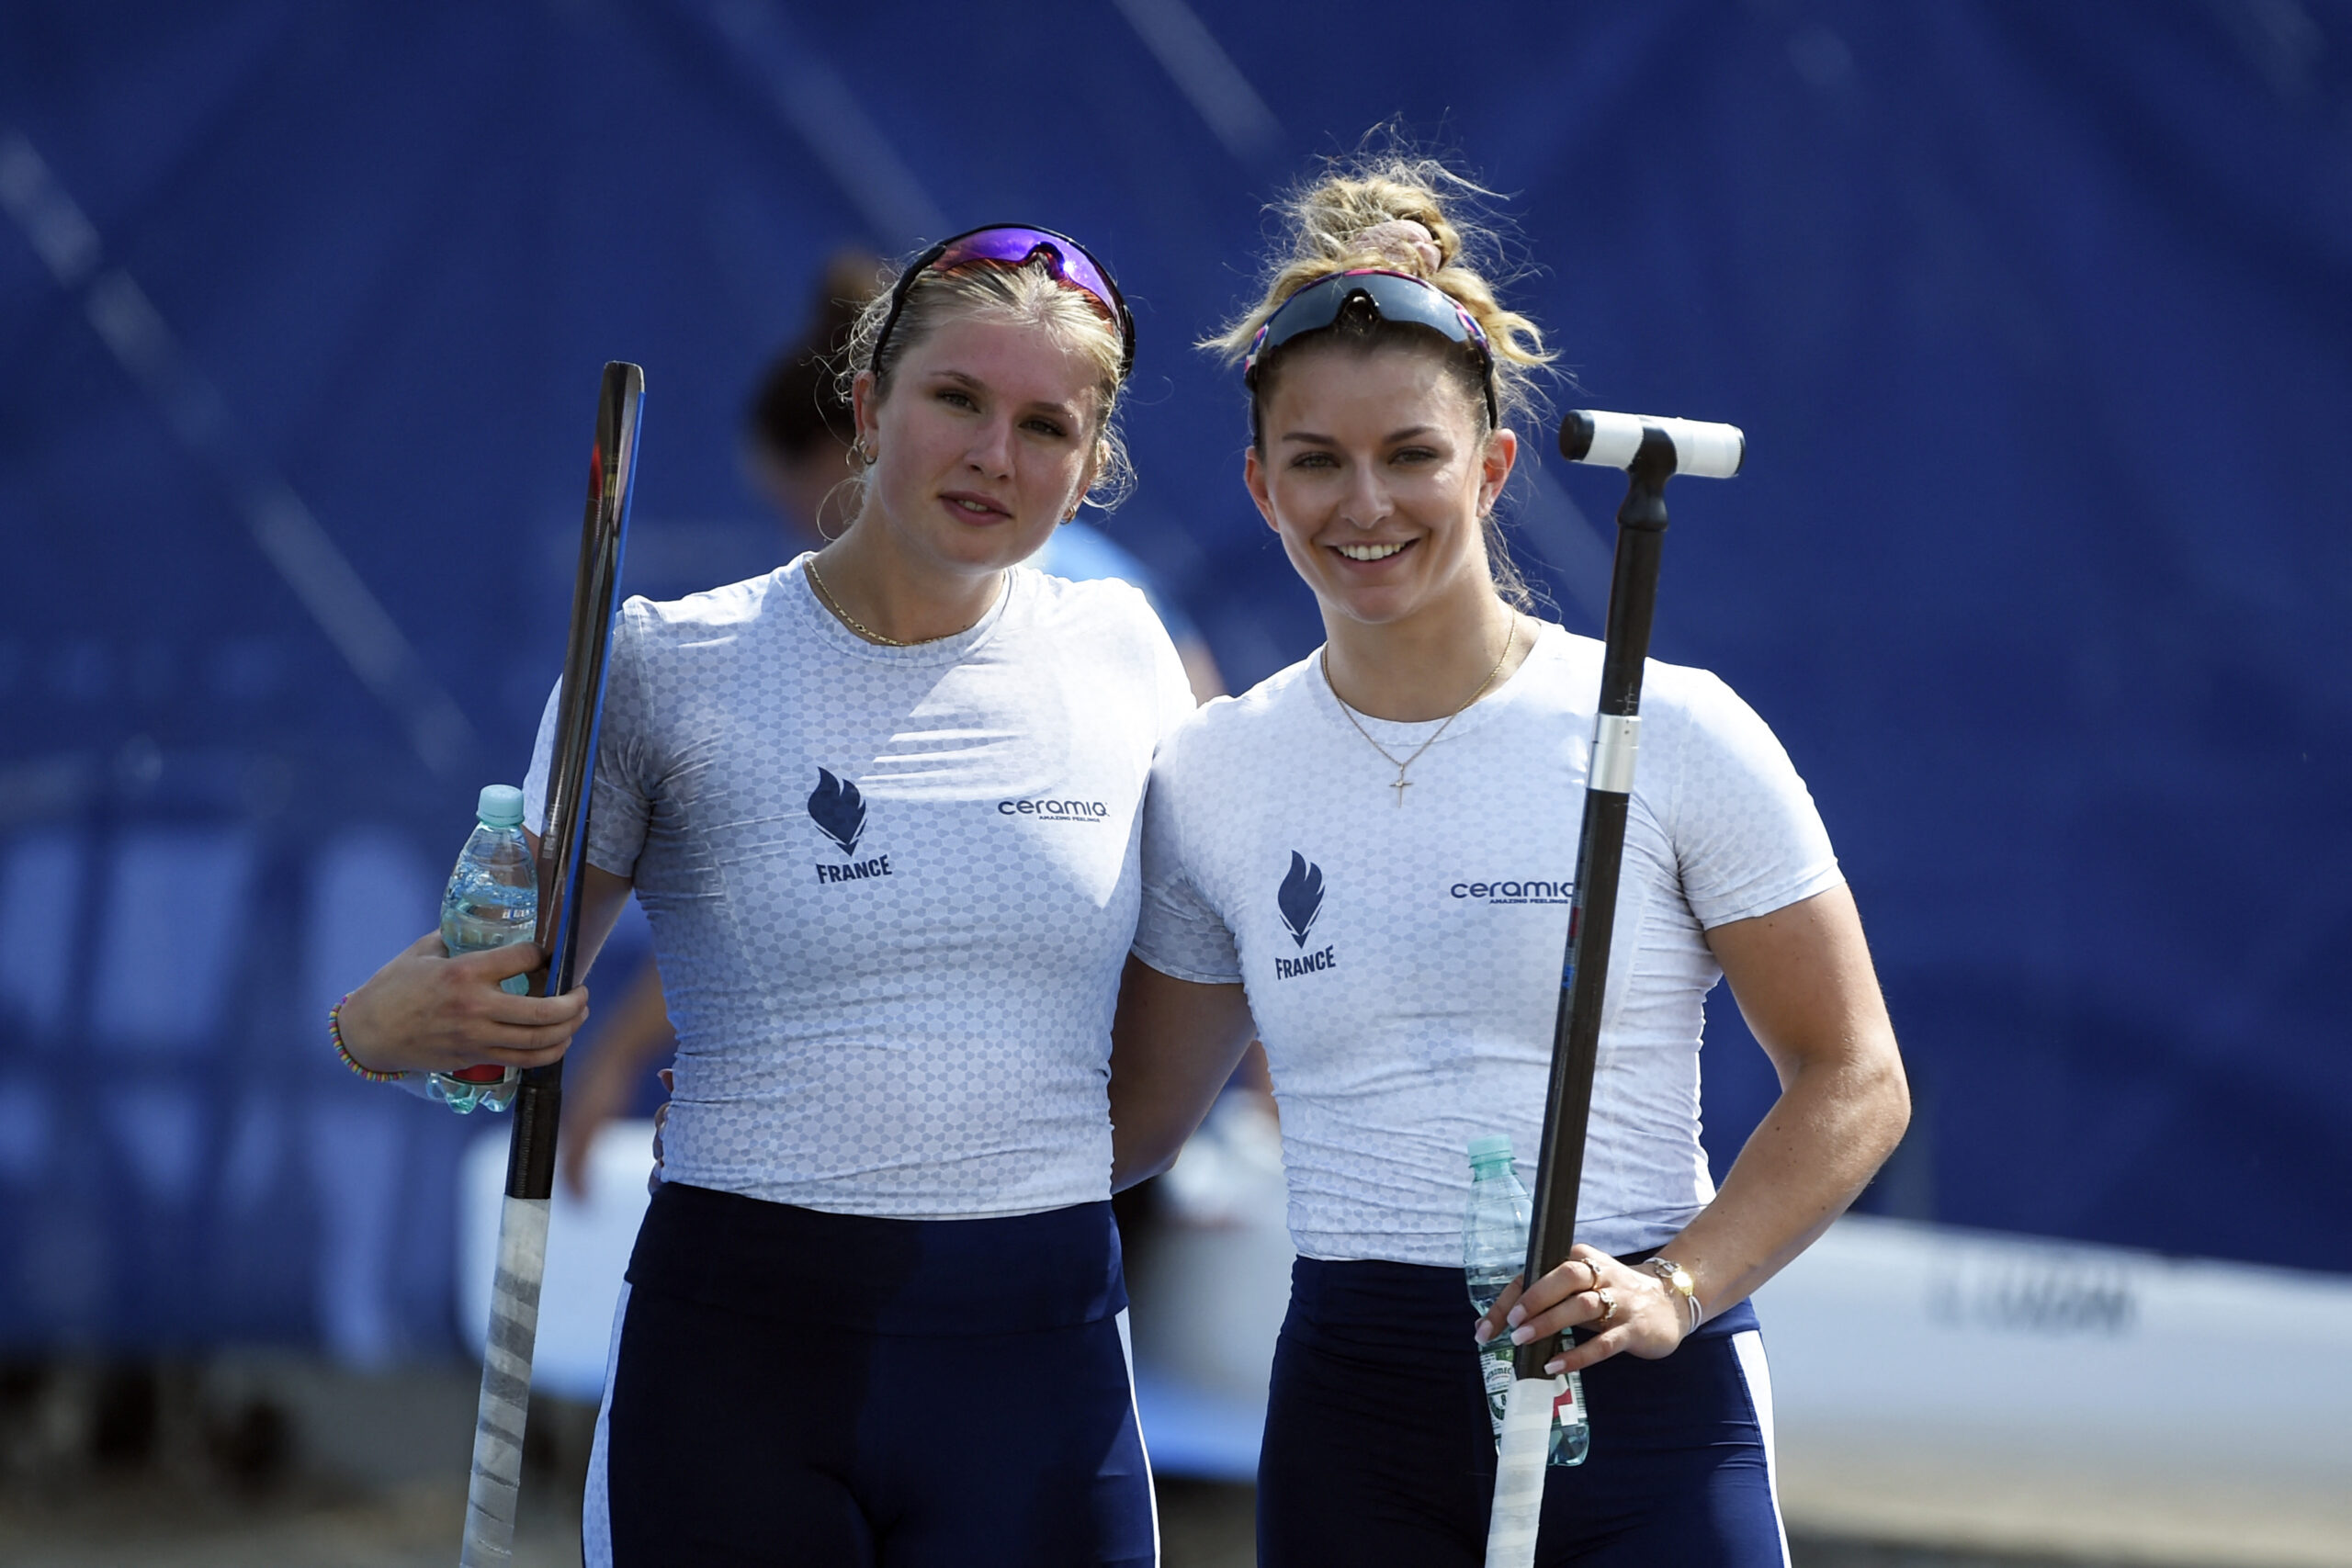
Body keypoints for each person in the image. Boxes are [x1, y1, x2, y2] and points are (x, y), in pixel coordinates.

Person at [333, 224, 1187, 1567]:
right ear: (866, 406)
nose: (994, 455)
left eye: (1046, 425)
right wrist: (379, 1028)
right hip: (742, 1361)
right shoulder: (667, 668)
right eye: (957, 399)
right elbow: (494, 999)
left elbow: (1181, 1026)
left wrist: (1015, 1184)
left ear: (1089, 469)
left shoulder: (1129, 655)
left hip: (1040, 1357)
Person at [1106, 157, 1911, 1567]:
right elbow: (1131, 1122)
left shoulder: (1672, 726)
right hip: (1356, 1420)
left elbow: (1856, 1078)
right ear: (1257, 482)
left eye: (1412, 453)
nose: (1367, 503)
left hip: (1641, 1398)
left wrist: (1677, 1285)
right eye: (1317, 460)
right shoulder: (1217, 769)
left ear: (1490, 463)